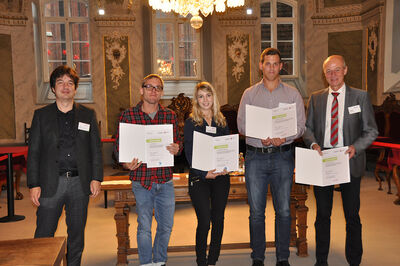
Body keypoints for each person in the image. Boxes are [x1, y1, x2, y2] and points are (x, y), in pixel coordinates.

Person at [302, 55, 378, 266]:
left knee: (352, 215)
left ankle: (354, 260)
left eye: (337, 70)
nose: (333, 75)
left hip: (349, 158)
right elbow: (307, 129)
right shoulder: (316, 98)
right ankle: (321, 260)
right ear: (323, 74)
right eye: (329, 71)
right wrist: (313, 144)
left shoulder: (360, 97)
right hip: (323, 158)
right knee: (322, 215)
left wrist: (357, 147)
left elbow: (371, 130)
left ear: (345, 70)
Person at [27, 65, 103, 266]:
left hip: (80, 183)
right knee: (44, 234)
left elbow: (95, 149)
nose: (65, 86)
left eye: (70, 82)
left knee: (76, 234)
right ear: (53, 88)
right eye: (60, 82)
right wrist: (33, 184)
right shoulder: (41, 116)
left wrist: (96, 178)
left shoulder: (88, 115)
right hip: (51, 183)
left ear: (76, 88)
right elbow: (33, 152)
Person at [237, 48, 306, 266]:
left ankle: (282, 257)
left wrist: (283, 137)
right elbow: (241, 124)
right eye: (268, 64)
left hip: (282, 157)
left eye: (276, 64)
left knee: (283, 210)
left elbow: (300, 126)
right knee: (256, 211)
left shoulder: (292, 94)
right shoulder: (249, 94)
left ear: (281, 66)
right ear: (260, 65)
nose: (272, 68)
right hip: (256, 157)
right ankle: (258, 256)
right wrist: (260, 135)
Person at [114, 74, 181, 266]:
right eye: (149, 87)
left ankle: (159, 261)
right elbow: (119, 147)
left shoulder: (170, 116)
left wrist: (177, 148)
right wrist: (126, 163)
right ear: (141, 90)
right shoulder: (129, 115)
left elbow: (177, 144)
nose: (154, 90)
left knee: (166, 226)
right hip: (142, 180)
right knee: (144, 226)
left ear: (162, 92)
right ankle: (145, 262)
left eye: (158, 88)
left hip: (165, 180)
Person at [184, 82, 230, 266]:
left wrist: (228, 165)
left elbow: (227, 146)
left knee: (218, 218)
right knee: (204, 220)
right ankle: (201, 259)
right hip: (199, 177)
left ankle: (213, 258)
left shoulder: (222, 120)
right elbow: (189, 152)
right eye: (201, 96)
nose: (205, 100)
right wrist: (204, 173)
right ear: (196, 100)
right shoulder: (191, 122)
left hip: (220, 177)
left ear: (214, 98)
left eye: (208, 96)